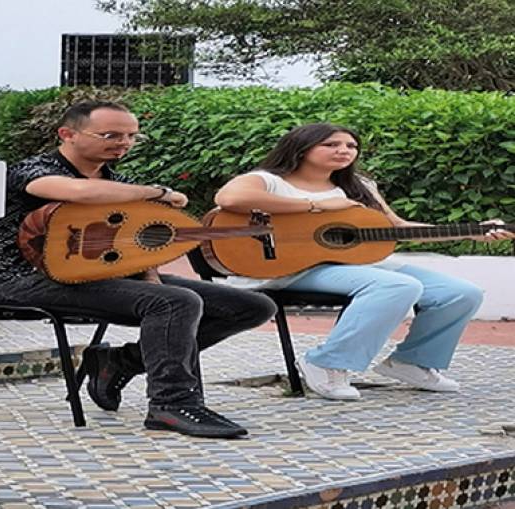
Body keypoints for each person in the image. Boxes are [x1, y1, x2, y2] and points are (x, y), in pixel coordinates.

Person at [0, 101, 277, 439]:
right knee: (175, 302)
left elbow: (135, 239)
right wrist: (159, 193)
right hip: (26, 280)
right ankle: (171, 404)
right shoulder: (35, 169)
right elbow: (79, 192)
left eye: (132, 136)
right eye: (111, 134)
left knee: (253, 307)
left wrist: (150, 276)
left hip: (101, 276)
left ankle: (120, 363)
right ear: (67, 134)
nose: (123, 142)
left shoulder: (118, 181)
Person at [214, 123, 513, 400]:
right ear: (302, 147)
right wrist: (317, 205)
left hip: (349, 266)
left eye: (351, 146)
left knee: (461, 292)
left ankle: (413, 361)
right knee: (398, 286)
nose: (344, 150)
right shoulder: (267, 180)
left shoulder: (360, 186)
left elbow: (396, 229)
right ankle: (324, 363)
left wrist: (475, 232)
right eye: (331, 144)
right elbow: (229, 199)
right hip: (283, 268)